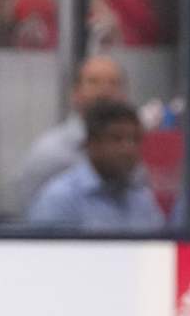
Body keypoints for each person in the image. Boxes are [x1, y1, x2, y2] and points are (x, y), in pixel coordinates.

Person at [25, 99, 165, 231]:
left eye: (135, 139)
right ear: (92, 144)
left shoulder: (141, 199)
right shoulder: (60, 199)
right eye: (117, 139)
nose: (128, 149)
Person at [15, 55, 129, 212]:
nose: (104, 92)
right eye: (93, 82)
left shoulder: (133, 153)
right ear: (75, 94)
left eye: (113, 83)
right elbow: (34, 218)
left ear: (124, 96)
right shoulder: (48, 153)